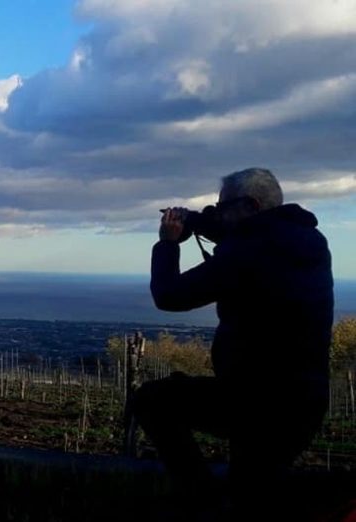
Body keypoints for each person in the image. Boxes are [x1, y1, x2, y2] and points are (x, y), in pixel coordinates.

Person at [134, 167, 334, 516]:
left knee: (153, 401)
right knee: (251, 495)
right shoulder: (310, 241)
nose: (220, 214)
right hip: (302, 403)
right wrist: (193, 220)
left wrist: (167, 242)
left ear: (251, 205)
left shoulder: (249, 250)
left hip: (253, 403)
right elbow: (240, 230)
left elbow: (169, 295)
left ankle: (205, 501)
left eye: (224, 207)